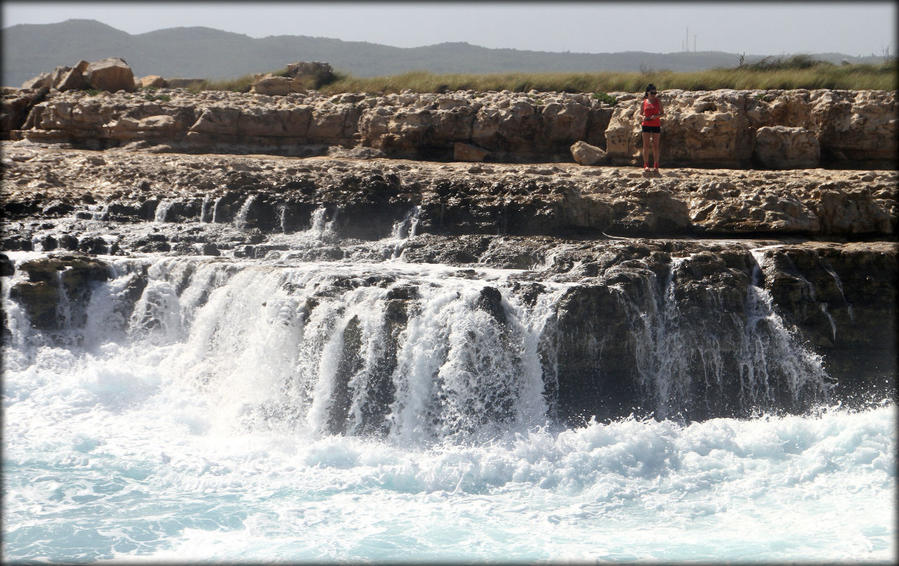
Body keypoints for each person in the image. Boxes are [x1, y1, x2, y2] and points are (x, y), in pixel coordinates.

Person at [638, 83, 663, 172]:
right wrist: (643, 117)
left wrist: (656, 116)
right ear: (647, 93)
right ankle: (646, 165)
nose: (654, 95)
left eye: (655, 93)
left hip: (656, 124)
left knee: (656, 145)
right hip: (646, 124)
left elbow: (662, 113)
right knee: (646, 145)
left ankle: (656, 165)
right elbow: (640, 114)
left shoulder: (658, 101)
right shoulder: (644, 102)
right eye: (652, 93)